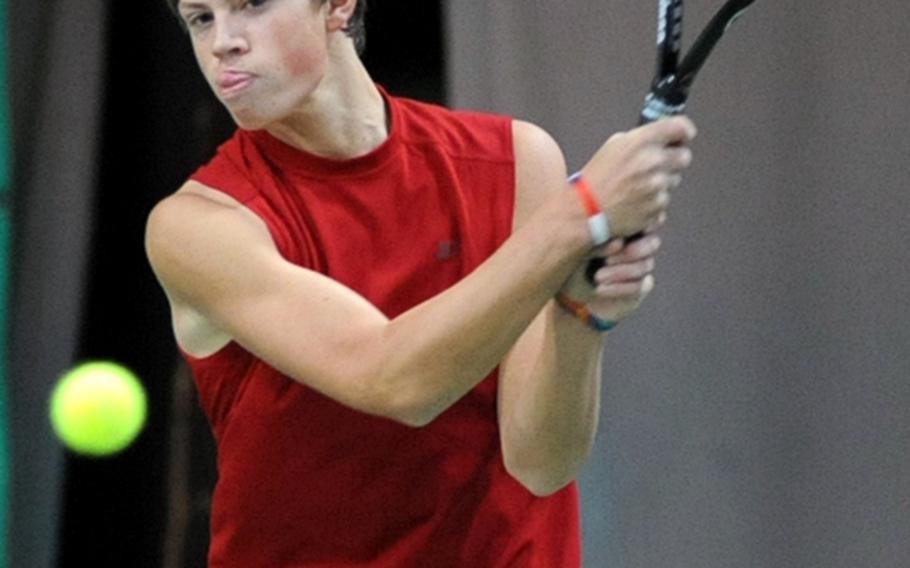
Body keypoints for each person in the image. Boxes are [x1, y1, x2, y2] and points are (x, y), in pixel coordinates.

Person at [146, 0, 696, 566]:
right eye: (201, 17)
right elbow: (394, 381)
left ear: (338, 5)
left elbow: (540, 464)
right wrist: (579, 216)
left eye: (250, 5)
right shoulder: (197, 228)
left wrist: (578, 314)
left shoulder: (514, 159)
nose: (222, 42)